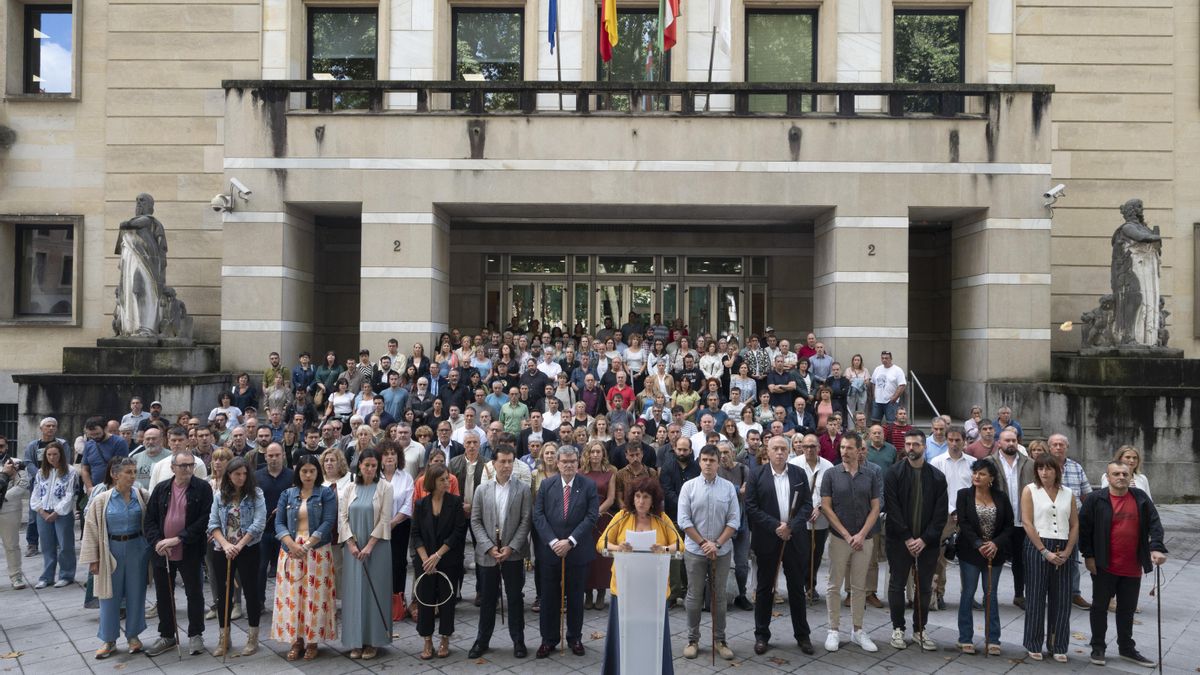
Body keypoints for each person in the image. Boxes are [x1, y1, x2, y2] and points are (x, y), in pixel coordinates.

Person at [1081, 461, 1166, 668]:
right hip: (1103, 564)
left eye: (1125, 474)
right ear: (1108, 477)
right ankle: (1098, 646)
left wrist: (1156, 548)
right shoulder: (1095, 499)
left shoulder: (1140, 498)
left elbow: (1155, 524)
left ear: (1130, 477)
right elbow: (1084, 529)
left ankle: (1126, 648)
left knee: (1127, 610)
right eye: (1116, 474)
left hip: (1132, 565)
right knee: (1100, 607)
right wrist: (1089, 556)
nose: (1121, 477)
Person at [597, 476, 678, 675]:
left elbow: (678, 545)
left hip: (654, 589)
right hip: (625, 588)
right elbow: (601, 544)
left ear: (654, 500)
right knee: (624, 636)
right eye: (638, 496)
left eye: (646, 497)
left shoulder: (662, 519)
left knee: (653, 636)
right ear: (632, 498)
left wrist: (664, 548)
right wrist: (618, 547)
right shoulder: (622, 517)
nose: (641, 501)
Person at [745, 435, 814, 656]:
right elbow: (752, 507)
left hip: (794, 539)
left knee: (796, 589)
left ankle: (802, 635)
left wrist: (791, 526)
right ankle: (762, 635)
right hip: (768, 538)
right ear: (768, 450)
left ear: (789, 451)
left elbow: (806, 505)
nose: (780, 452)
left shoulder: (799, 474)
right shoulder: (757, 475)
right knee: (765, 588)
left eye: (783, 448)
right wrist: (776, 526)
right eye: (775, 448)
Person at [144, 446, 214, 657]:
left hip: (189, 549)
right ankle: (167, 635)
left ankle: (196, 635)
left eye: (191, 465)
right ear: (173, 467)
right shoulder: (161, 488)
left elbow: (204, 520)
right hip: (162, 551)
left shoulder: (202, 488)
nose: (187, 469)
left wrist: (178, 538)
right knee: (164, 594)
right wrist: (157, 541)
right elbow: (150, 520)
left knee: (194, 593)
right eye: (183, 465)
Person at [532, 445, 599, 658]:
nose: (568, 465)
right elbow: (538, 515)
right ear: (557, 463)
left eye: (572, 461)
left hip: (577, 551)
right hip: (550, 552)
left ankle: (575, 637)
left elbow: (591, 516)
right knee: (549, 597)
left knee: (576, 597)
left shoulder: (588, 485)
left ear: (577, 463)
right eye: (564, 461)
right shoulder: (546, 485)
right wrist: (553, 542)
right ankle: (548, 639)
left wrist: (570, 541)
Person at [883, 430, 947, 652]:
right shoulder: (893, 473)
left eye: (916, 444)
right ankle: (897, 628)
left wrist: (924, 539)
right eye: (908, 444)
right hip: (899, 541)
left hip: (927, 544)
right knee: (897, 584)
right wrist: (908, 538)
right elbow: (892, 508)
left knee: (924, 588)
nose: (911, 448)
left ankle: (920, 629)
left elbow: (940, 515)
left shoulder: (938, 477)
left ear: (924, 447)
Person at [79, 457, 149, 659]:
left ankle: (133, 636)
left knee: (137, 593)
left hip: (137, 548)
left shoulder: (141, 495)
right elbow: (91, 528)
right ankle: (108, 640)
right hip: (111, 549)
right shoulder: (102, 499)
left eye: (134, 471)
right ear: (115, 474)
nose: (132, 476)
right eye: (128, 472)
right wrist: (94, 559)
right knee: (109, 596)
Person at [270, 454, 337, 660]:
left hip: (316, 550)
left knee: (314, 597)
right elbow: (279, 522)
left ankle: (312, 641)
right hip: (291, 549)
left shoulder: (326, 494)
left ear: (318, 472)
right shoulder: (287, 494)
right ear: (298, 472)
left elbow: (328, 522)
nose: (308, 475)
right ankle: (296, 640)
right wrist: (290, 543)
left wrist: (306, 545)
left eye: (312, 471)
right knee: (292, 596)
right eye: (304, 471)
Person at [469, 444, 532, 659]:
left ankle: (518, 640)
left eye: (510, 461)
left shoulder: (522, 489)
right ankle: (482, 640)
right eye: (502, 461)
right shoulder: (482, 489)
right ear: (494, 463)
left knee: (515, 598)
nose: (506, 466)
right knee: (487, 599)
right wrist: (488, 546)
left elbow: (525, 520)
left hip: (513, 554)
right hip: (488, 555)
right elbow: (475, 521)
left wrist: (511, 546)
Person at [678, 444, 740, 660]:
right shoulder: (689, 487)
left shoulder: (728, 488)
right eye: (704, 459)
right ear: (699, 461)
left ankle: (720, 639)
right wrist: (705, 543)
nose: (707, 464)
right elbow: (683, 520)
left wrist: (718, 544)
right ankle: (692, 639)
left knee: (719, 596)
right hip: (696, 550)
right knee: (694, 596)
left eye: (712, 460)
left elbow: (734, 520)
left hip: (721, 551)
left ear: (718, 462)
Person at [820, 432, 880, 653]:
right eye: (842, 447)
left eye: (849, 448)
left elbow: (875, 507)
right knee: (834, 584)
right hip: (839, 539)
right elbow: (826, 507)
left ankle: (858, 630)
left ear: (859, 450)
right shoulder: (831, 474)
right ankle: (833, 629)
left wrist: (862, 534)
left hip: (864, 539)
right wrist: (846, 535)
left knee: (859, 586)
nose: (844, 451)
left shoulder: (870, 475)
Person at [1021, 453, 1079, 663]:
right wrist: (1044, 551)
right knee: (1036, 598)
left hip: (1063, 546)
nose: (1044, 472)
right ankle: (1034, 642)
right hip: (1037, 545)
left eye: (1049, 469)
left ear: (1057, 471)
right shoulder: (1030, 490)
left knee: (1062, 599)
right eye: (1040, 468)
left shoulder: (1068, 493)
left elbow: (1074, 524)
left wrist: (1069, 550)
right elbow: (1027, 523)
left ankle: (1058, 644)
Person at [208, 457, 268, 657]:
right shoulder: (220, 496)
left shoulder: (256, 494)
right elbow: (213, 524)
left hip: (248, 548)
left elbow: (259, 523)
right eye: (237, 474)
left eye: (244, 474)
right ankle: (224, 637)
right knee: (223, 595)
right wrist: (226, 545)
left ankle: (253, 637)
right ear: (229, 475)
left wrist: (239, 545)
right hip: (223, 550)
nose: (241, 477)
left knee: (251, 592)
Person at [339, 448, 394, 660]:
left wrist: (369, 546)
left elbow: (385, 519)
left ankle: (373, 641)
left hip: (377, 548)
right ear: (359, 466)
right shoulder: (349, 488)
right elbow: (342, 518)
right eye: (366, 465)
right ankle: (356, 640)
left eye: (373, 465)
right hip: (353, 549)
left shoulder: (385, 487)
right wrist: (352, 545)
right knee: (354, 593)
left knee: (374, 592)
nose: (370, 469)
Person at [955, 458, 1014, 655]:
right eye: (975, 473)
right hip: (970, 552)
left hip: (994, 554)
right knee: (968, 593)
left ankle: (993, 638)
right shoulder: (963, 495)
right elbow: (963, 523)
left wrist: (995, 543)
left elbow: (1009, 525)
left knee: (991, 595)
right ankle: (965, 638)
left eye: (981, 473)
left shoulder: (1001, 497)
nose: (976, 477)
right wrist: (978, 544)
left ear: (991, 477)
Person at [411, 464, 467, 659]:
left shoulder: (455, 502)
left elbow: (458, 532)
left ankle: (445, 637)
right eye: (442, 479)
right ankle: (427, 640)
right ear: (432, 481)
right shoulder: (420, 504)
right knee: (425, 600)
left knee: (447, 600)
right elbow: (415, 534)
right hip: (425, 560)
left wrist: (438, 555)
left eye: (447, 478)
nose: (447, 482)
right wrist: (426, 558)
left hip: (448, 559)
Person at [986, 427, 1035, 609]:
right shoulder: (989, 463)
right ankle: (989, 595)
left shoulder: (1029, 463)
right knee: (994, 558)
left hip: (1022, 520)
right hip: (998, 521)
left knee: (1021, 561)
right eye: (1007, 440)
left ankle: (1019, 595)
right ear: (999, 443)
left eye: (1014, 440)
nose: (1011, 443)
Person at [930, 424, 973, 610]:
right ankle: (938, 593)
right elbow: (936, 491)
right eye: (951, 440)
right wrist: (952, 511)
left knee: (968, 557)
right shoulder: (937, 462)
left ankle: (969, 594)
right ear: (946, 440)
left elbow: (975, 490)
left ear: (964, 441)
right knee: (940, 558)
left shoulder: (973, 463)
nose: (954, 444)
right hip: (944, 516)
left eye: (958, 440)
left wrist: (963, 511)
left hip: (968, 516)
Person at [1049, 433, 1092, 609]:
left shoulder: (1076, 467)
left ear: (1067, 447)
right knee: (1048, 558)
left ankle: (1074, 593)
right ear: (1049, 447)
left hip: (1073, 522)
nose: (1058, 447)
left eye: (1062, 444)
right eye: (1055, 444)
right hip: (1049, 521)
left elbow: (1086, 494)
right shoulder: (1042, 467)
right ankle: (1049, 594)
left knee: (1072, 558)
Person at [791, 434, 833, 604]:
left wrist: (821, 508)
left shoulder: (828, 467)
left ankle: (810, 586)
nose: (809, 449)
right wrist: (805, 509)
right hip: (800, 519)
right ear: (801, 447)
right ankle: (798, 585)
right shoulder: (794, 464)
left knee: (816, 554)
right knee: (800, 554)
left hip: (821, 520)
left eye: (813, 446)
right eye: (806, 446)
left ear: (819, 448)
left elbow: (831, 492)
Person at [31, 440, 78, 589]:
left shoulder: (70, 472)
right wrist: (41, 511)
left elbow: (70, 494)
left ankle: (66, 575)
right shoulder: (41, 472)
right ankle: (47, 576)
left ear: (61, 455)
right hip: (43, 512)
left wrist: (57, 511)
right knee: (47, 545)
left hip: (62, 513)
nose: (52, 457)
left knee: (65, 545)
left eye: (55, 454)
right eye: (49, 454)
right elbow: (36, 493)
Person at [378, 440, 415, 623]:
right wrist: (383, 524)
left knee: (398, 564)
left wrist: (393, 522)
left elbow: (409, 503)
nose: (390, 457)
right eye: (386, 454)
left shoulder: (406, 477)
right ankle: (381, 602)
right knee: (380, 564)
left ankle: (398, 602)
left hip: (399, 527)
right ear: (381, 458)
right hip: (377, 527)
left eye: (393, 453)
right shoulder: (375, 476)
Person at [581, 440, 616, 610]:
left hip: (602, 519)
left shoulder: (610, 473)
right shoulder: (581, 473)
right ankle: (587, 593)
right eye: (592, 451)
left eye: (598, 451)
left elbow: (610, 498)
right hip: (584, 519)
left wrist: (597, 513)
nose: (595, 454)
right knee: (587, 556)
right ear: (588, 453)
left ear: (603, 454)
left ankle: (601, 592)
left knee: (602, 558)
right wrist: (588, 515)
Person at [0, 452, 29, 590]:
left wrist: (3, 497)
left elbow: (23, 484)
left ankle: (16, 576)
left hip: (9, 509)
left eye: (1, 446)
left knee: (11, 545)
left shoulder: (17, 463)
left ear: (6, 446)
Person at [868, 350, 906, 423]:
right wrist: (874, 396)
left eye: (886, 358)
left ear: (891, 359)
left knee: (891, 423)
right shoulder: (877, 369)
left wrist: (894, 398)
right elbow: (873, 383)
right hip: (878, 401)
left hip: (891, 402)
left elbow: (902, 385)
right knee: (875, 422)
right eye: (882, 358)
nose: (884, 360)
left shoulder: (897, 370)